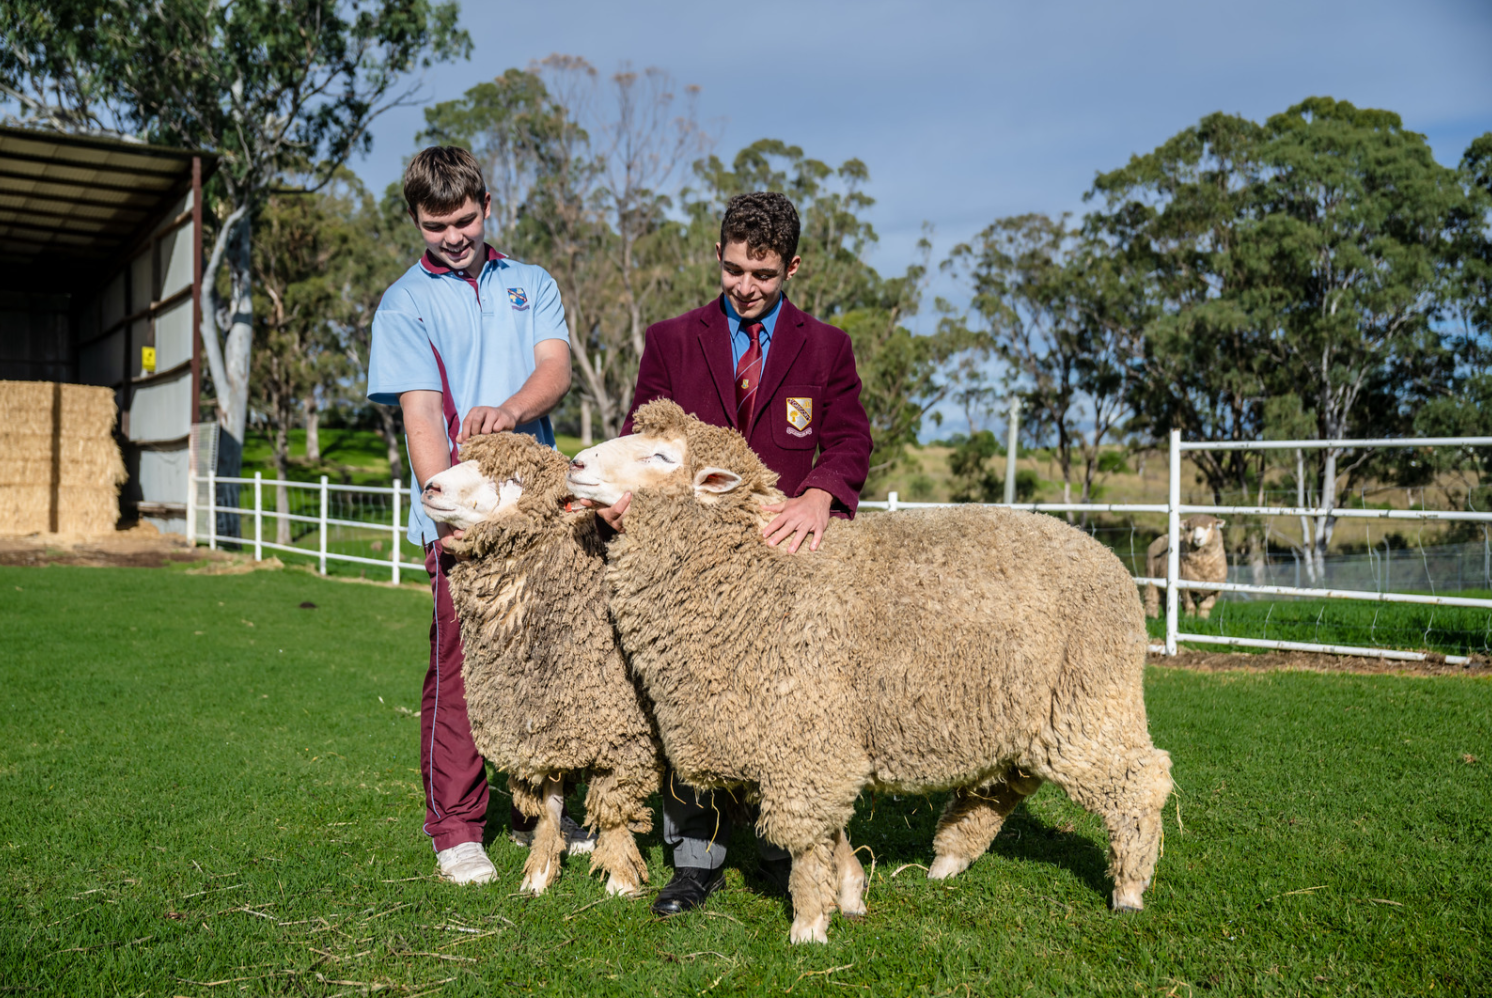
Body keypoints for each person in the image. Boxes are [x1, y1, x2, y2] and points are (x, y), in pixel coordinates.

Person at [593, 191, 873, 915]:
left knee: (785, 708)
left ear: (792, 268)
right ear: (717, 257)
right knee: (689, 701)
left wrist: (819, 495)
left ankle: (787, 850)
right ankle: (694, 860)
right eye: (733, 269)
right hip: (688, 571)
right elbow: (640, 437)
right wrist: (626, 500)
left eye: (764, 274)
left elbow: (847, 442)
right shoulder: (671, 341)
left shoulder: (827, 347)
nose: (745, 287)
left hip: (783, 561)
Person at [366, 146, 578, 885]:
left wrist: (513, 411)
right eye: (435, 225)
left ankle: (535, 814)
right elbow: (422, 415)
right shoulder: (403, 304)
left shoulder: (532, 283)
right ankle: (456, 827)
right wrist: (454, 518)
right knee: (459, 671)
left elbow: (555, 368)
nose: (453, 236)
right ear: (416, 222)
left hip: (541, 518)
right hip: (465, 525)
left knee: (545, 666)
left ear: (487, 207)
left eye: (463, 220)